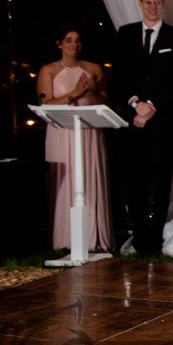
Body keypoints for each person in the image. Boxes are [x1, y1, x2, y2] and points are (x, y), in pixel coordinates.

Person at [110, 0, 173, 255]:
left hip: (163, 121)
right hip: (132, 120)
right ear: (140, 3)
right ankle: (140, 237)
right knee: (135, 178)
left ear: (163, 4)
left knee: (161, 178)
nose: (153, 7)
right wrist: (136, 105)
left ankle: (155, 240)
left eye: (157, 2)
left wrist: (151, 107)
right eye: (148, 2)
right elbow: (118, 76)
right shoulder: (125, 34)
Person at [36, 26, 112, 251]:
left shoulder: (94, 69)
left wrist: (89, 91)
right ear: (59, 43)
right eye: (68, 40)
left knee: (89, 177)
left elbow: (104, 102)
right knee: (66, 179)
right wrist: (74, 94)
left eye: (77, 40)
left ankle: (93, 238)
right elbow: (46, 103)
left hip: (89, 131)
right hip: (62, 131)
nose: (74, 44)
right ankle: (65, 239)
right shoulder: (48, 70)